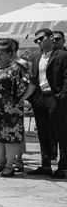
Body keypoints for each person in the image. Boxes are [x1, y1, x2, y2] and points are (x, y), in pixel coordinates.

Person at [0, 39, 32, 177]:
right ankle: (0, 163)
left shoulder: (17, 67)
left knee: (10, 137)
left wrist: (22, 99)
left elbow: (31, 84)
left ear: (10, 54)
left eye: (2, 54)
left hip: (10, 110)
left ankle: (10, 165)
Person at [27, 29, 67, 178]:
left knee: (61, 133)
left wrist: (62, 97)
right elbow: (33, 80)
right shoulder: (37, 58)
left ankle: (63, 167)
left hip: (56, 98)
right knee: (43, 133)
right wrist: (31, 99)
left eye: (41, 38)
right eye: (36, 40)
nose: (38, 42)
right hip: (40, 99)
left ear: (50, 38)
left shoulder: (63, 55)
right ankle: (45, 165)